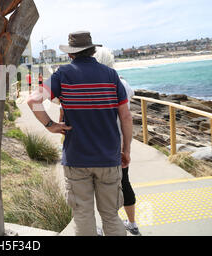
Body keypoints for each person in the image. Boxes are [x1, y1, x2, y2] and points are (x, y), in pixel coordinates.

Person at [27, 31, 133, 236]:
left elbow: (33, 100)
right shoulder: (111, 75)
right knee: (111, 215)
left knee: (83, 215)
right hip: (109, 157)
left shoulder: (63, 74)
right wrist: (126, 149)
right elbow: (126, 117)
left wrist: (50, 125)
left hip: (76, 157)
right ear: (92, 51)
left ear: (70, 54)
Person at [94, 47, 141, 236]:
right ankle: (132, 224)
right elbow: (126, 115)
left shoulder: (95, 86)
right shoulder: (123, 83)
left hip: (100, 143)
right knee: (124, 181)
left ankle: (109, 226)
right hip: (120, 141)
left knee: (102, 186)